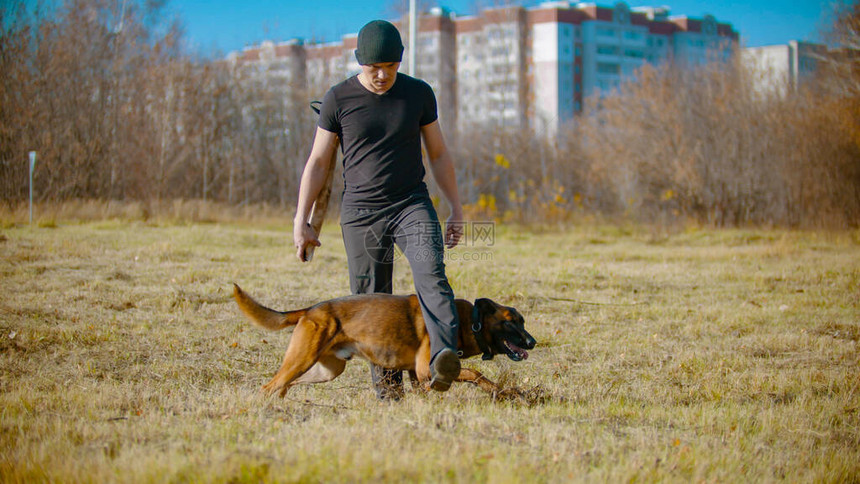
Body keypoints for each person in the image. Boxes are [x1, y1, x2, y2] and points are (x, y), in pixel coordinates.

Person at [293, 20, 464, 400]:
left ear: (399, 62)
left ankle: (441, 359)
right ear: (360, 62)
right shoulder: (339, 99)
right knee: (372, 299)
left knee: (431, 273)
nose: (383, 74)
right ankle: (389, 393)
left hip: (410, 204)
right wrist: (302, 220)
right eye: (374, 68)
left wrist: (456, 207)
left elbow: (438, 153)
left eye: (390, 66)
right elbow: (319, 162)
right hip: (361, 212)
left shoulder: (418, 94)